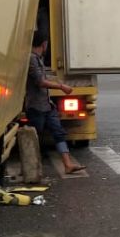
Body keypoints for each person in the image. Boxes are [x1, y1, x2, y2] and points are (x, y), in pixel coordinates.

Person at [23, 32, 85, 174]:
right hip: (36, 106)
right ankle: (32, 169)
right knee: (34, 137)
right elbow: (40, 82)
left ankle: (68, 164)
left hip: (47, 105)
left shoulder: (38, 59)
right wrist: (61, 87)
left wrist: (57, 81)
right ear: (44, 44)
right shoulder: (32, 59)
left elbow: (43, 77)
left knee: (58, 132)